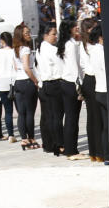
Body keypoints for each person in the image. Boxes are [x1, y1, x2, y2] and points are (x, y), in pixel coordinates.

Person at [59, 20, 87, 160]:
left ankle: (70, 148)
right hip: (72, 83)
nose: (77, 27)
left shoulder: (68, 43)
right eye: (74, 26)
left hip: (66, 82)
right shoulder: (70, 45)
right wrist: (80, 85)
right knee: (72, 118)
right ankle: (71, 150)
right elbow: (75, 67)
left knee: (70, 117)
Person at [37, 23, 64, 155]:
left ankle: (48, 144)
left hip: (45, 84)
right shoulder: (52, 50)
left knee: (47, 117)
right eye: (53, 34)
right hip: (54, 83)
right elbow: (61, 67)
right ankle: (58, 144)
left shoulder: (39, 48)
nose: (56, 36)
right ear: (46, 35)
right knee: (56, 117)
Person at [13, 23, 40, 150]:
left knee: (21, 113)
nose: (29, 35)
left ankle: (24, 138)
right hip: (27, 81)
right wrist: (35, 80)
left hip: (18, 81)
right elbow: (26, 67)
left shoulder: (15, 49)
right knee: (29, 112)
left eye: (29, 32)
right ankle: (31, 138)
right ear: (21, 36)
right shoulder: (25, 49)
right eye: (26, 33)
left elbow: (16, 66)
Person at [79, 18, 101, 162]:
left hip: (88, 79)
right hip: (93, 78)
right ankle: (98, 150)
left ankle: (94, 151)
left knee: (92, 116)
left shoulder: (83, 44)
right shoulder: (92, 46)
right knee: (97, 117)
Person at [89, 23, 109, 164]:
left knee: (106, 125)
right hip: (106, 89)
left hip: (99, 89)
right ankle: (108, 154)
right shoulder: (100, 51)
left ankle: (107, 154)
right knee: (108, 126)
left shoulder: (94, 50)